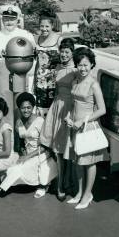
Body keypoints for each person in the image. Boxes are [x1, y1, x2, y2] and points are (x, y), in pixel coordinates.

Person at [64, 47, 108, 210]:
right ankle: (80, 193)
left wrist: (81, 121)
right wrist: (69, 116)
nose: (82, 68)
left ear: (92, 65)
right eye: (79, 65)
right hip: (74, 127)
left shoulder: (94, 85)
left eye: (85, 65)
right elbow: (73, 103)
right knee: (77, 163)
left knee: (89, 163)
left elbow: (102, 110)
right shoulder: (75, 80)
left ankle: (88, 195)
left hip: (87, 127)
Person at [39, 38, 77, 201]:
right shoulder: (58, 67)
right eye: (62, 52)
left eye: (67, 52)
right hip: (57, 107)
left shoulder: (76, 70)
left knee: (66, 149)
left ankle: (66, 183)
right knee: (57, 150)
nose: (63, 55)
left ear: (72, 53)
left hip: (69, 109)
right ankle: (61, 182)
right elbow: (55, 89)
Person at [0, 92, 57, 198]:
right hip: (27, 153)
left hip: (41, 153)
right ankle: (6, 185)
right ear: (19, 108)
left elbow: (46, 146)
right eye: (23, 108)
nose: (26, 110)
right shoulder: (18, 122)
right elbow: (21, 142)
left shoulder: (40, 121)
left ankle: (2, 188)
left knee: (20, 169)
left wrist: (27, 156)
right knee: (10, 169)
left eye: (29, 107)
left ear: (33, 107)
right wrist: (22, 153)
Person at [0, 6, 36, 126]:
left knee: (21, 105)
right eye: (6, 18)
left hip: (22, 75)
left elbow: (34, 57)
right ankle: (7, 140)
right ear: (2, 19)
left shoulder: (26, 35)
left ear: (17, 19)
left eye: (12, 19)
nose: (9, 22)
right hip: (3, 76)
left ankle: (20, 140)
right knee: (5, 106)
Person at [33, 11, 61, 117]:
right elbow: (37, 62)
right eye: (42, 26)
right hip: (40, 81)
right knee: (41, 110)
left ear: (52, 25)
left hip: (54, 80)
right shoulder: (38, 39)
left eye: (47, 26)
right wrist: (34, 81)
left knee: (53, 110)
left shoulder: (58, 39)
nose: (44, 29)